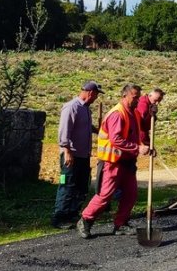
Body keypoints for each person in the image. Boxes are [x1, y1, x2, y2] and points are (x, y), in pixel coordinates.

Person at [77, 84, 152, 239]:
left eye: (138, 96)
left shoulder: (134, 113)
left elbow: (138, 134)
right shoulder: (117, 114)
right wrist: (137, 148)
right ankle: (85, 220)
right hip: (113, 162)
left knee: (131, 194)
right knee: (105, 195)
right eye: (135, 97)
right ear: (125, 96)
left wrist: (147, 146)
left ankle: (121, 224)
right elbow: (116, 139)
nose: (138, 100)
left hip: (128, 162)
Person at [51, 81, 103, 229]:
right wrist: (67, 151)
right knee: (67, 185)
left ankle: (72, 214)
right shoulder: (71, 107)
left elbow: (84, 127)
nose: (96, 98)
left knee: (81, 186)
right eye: (96, 95)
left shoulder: (86, 109)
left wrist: (96, 130)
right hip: (71, 155)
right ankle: (60, 218)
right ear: (91, 93)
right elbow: (64, 131)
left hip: (83, 155)